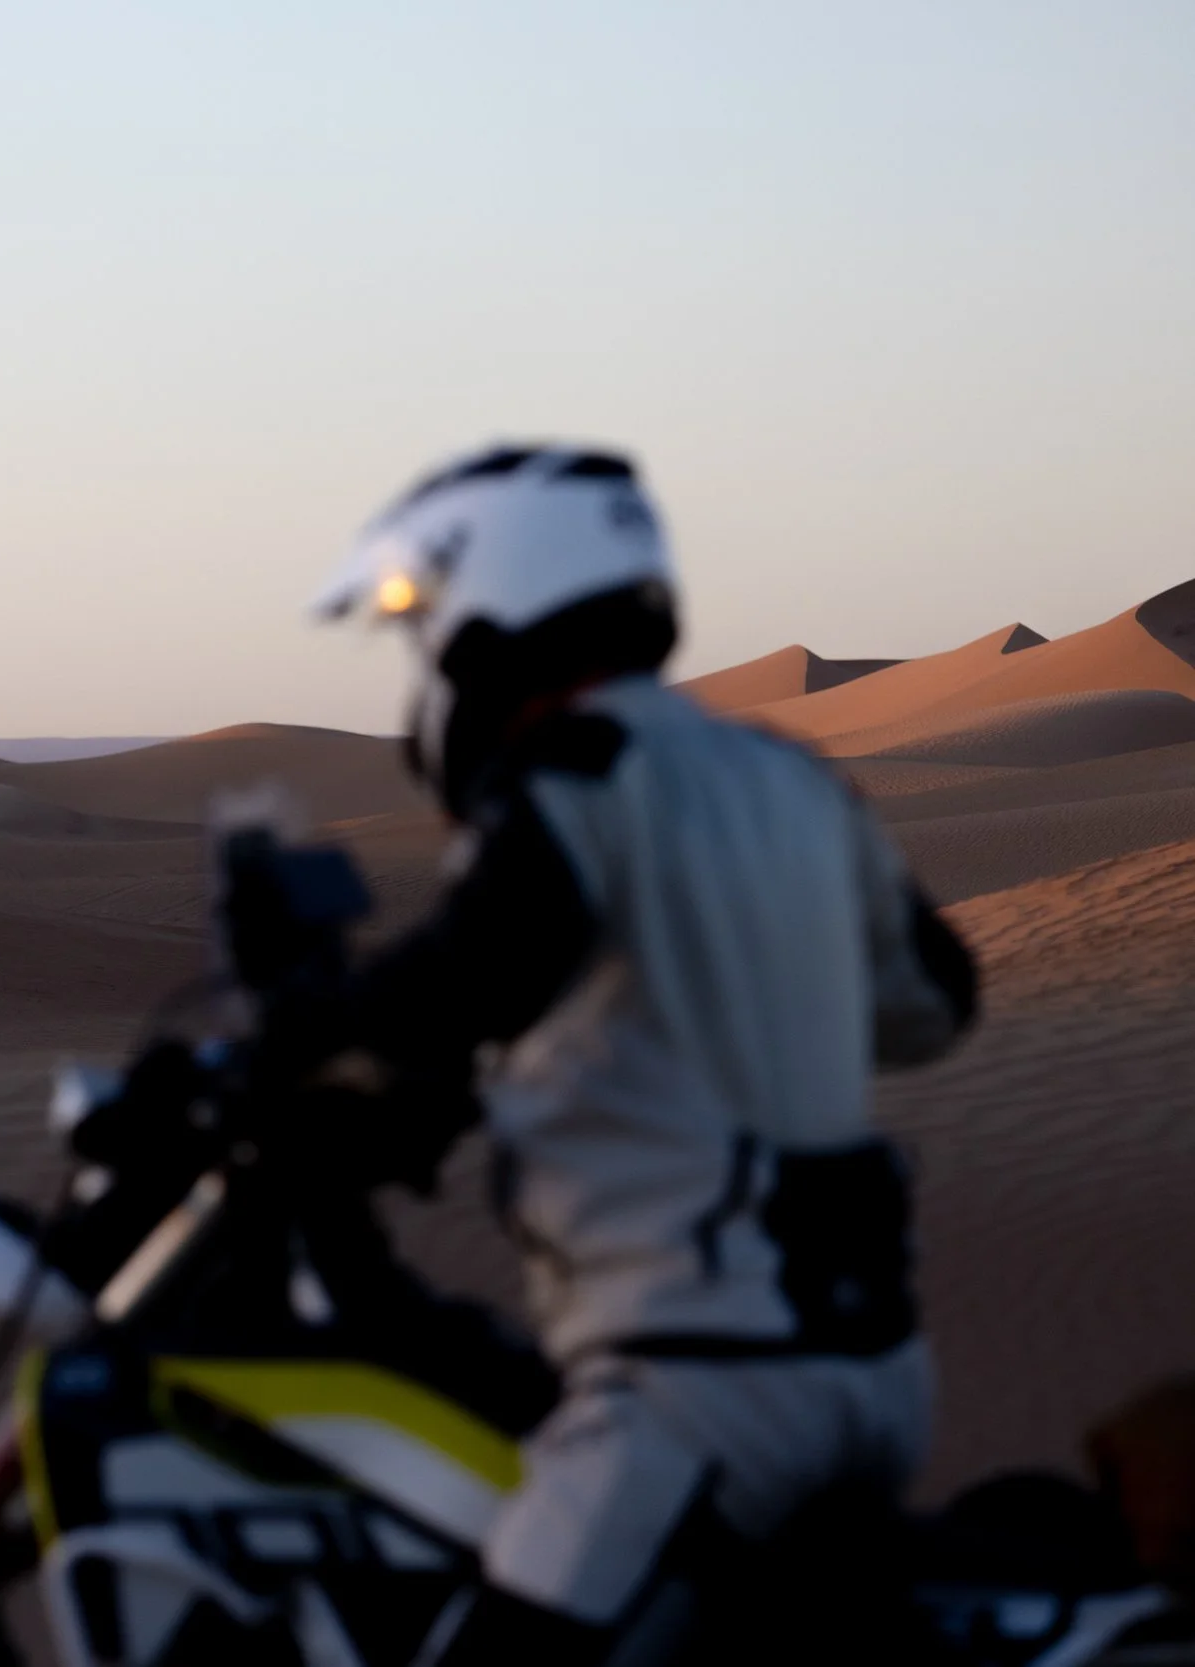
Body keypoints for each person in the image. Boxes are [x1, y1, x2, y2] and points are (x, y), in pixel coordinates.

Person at [294, 443, 978, 1664]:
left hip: (697, 1392)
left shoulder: (580, 773)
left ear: (489, 612)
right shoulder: (791, 776)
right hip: (874, 1375)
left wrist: (302, 1034)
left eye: (427, 626)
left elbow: (480, 963)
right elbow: (932, 999)